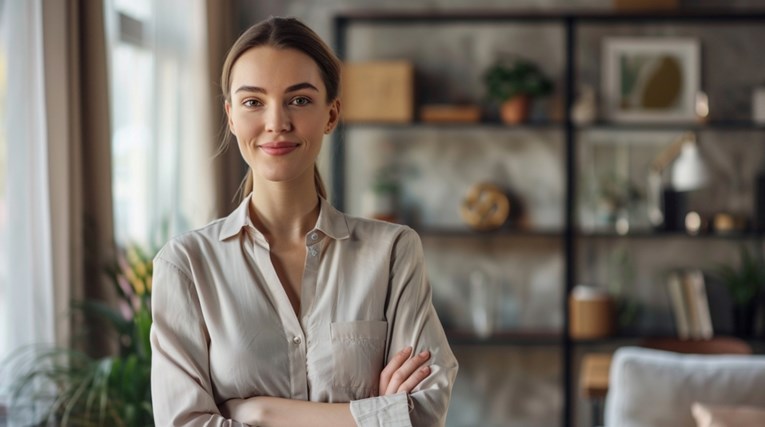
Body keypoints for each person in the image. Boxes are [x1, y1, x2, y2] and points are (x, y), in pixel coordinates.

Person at [150, 16, 458, 426]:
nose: (276, 122)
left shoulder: (393, 252)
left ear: (331, 115)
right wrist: (371, 415)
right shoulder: (186, 264)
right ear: (230, 116)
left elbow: (425, 410)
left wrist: (256, 412)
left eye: (299, 100)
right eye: (253, 102)